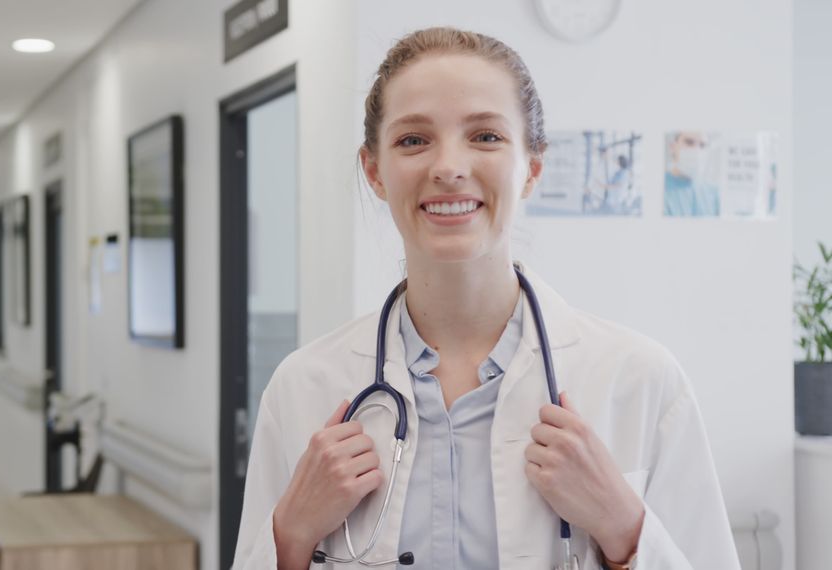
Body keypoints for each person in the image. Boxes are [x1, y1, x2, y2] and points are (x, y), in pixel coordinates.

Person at [232, 27, 738, 569]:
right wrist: (290, 537)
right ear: (375, 171)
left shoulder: (640, 382)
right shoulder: (302, 387)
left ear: (532, 169)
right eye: (412, 140)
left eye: (486, 137)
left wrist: (623, 529)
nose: (449, 167)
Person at [664, 131, 719, 217]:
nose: (696, 151)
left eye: (702, 145)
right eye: (689, 142)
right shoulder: (661, 190)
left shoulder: (714, 193)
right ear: (673, 147)